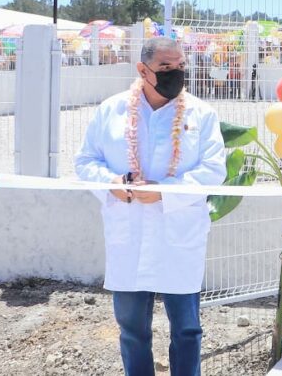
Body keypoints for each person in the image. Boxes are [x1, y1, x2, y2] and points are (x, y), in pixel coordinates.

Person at [74, 36, 227, 376]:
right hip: (128, 233)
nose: (176, 73)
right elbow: (86, 161)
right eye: (165, 67)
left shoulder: (202, 114)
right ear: (143, 70)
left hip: (178, 235)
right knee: (132, 331)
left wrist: (165, 192)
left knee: (187, 330)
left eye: (180, 66)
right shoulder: (111, 110)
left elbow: (214, 170)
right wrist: (111, 183)